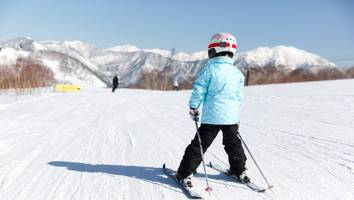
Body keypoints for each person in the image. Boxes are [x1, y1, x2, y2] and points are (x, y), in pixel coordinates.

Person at [176, 33, 249, 189]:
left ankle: (184, 173)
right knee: (234, 144)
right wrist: (236, 117)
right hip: (230, 117)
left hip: (212, 117)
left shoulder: (209, 69)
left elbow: (199, 90)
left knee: (199, 145)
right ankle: (239, 170)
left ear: (213, 50)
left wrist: (194, 107)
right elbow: (238, 98)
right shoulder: (238, 74)